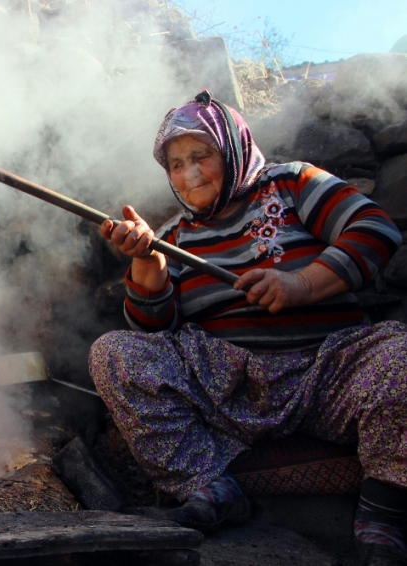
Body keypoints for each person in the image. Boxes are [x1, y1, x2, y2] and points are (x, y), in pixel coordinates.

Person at [90, 90, 407, 566]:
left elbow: (375, 228)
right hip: (232, 386)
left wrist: (302, 283)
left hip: (330, 370)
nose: (189, 173)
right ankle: (211, 487)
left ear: (233, 150)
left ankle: (385, 516)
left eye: (202, 156)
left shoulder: (292, 183)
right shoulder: (175, 236)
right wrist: (148, 259)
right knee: (116, 353)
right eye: (176, 164)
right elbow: (154, 330)